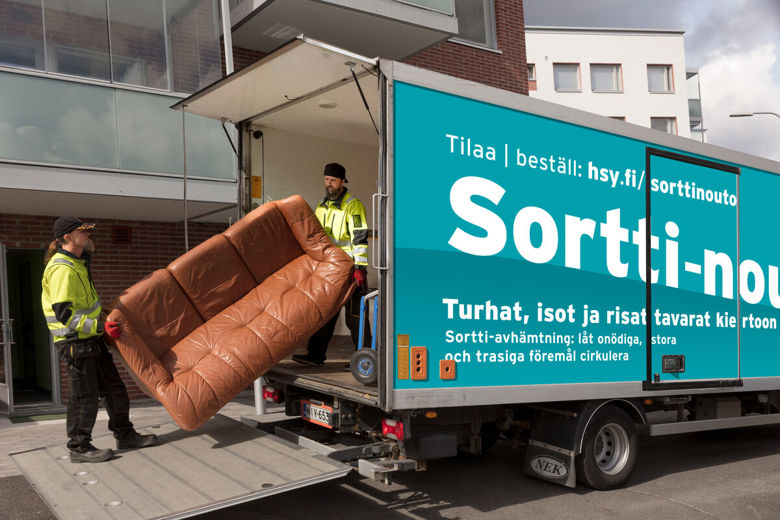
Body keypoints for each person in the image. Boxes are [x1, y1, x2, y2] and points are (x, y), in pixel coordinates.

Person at [41, 216, 157, 463]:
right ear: (67, 237)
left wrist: (103, 317)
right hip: (74, 343)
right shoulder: (62, 267)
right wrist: (100, 326)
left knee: (115, 389)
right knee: (84, 397)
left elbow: (87, 306)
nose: (88, 235)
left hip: (90, 339)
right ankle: (79, 448)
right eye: (82, 231)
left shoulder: (78, 264)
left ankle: (125, 435)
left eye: (87, 231)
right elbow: (64, 314)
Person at [293, 163, 370, 366]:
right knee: (325, 312)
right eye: (327, 179)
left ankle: (363, 359)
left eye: (333, 180)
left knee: (355, 317)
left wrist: (360, 267)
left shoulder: (353, 205)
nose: (329, 184)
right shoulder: (321, 205)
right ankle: (316, 355)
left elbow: (360, 236)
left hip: (352, 269)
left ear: (343, 181)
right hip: (330, 268)